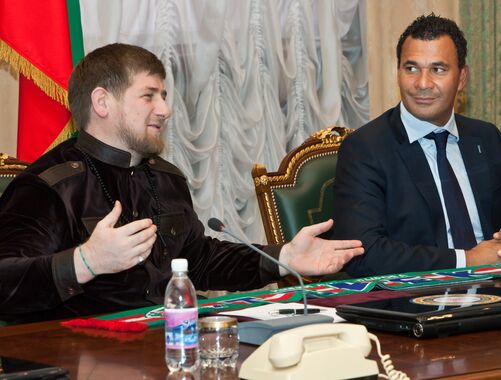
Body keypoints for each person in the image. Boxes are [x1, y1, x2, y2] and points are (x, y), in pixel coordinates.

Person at [0, 43, 363, 323]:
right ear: (102, 102)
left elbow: (199, 260)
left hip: (171, 342)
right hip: (84, 356)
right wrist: (86, 262)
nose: (165, 109)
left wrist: (282, 258)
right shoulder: (48, 186)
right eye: (149, 95)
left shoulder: (165, 176)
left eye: (164, 96)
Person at [333, 13, 501, 277]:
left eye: (438, 69)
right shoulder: (365, 148)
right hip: (415, 303)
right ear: (398, 72)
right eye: (411, 68)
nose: (422, 84)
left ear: (461, 78)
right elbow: (364, 252)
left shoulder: (485, 138)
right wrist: (468, 259)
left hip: (499, 291)